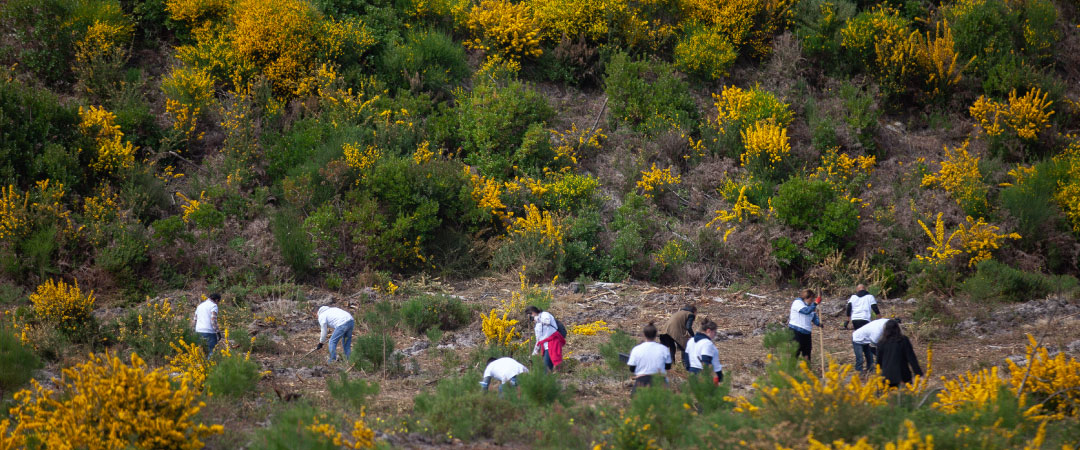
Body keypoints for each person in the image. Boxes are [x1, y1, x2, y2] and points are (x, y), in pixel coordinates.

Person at [627, 322, 673, 394]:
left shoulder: (636, 349)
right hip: (659, 380)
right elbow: (668, 366)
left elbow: (632, 368)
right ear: (655, 335)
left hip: (642, 381)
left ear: (644, 335)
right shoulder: (664, 349)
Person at [876, 320, 923, 387]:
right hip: (902, 376)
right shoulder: (903, 340)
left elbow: (878, 363)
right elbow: (912, 358)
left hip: (886, 377)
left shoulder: (881, 343)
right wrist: (919, 373)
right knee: (905, 396)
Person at [685, 319, 724, 385]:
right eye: (715, 332)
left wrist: (690, 371)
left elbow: (686, 359)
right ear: (708, 331)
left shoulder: (691, 340)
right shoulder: (707, 343)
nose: (715, 335)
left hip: (692, 372)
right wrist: (718, 377)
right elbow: (706, 361)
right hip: (703, 375)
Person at [658, 304, 696, 370]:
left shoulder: (678, 313)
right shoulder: (690, 314)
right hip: (674, 331)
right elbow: (688, 327)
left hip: (665, 330)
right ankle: (685, 365)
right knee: (684, 346)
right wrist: (693, 336)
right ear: (694, 311)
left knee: (672, 347)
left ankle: (671, 364)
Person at [788, 289, 821, 360]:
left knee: (807, 354)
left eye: (813, 299)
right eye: (811, 299)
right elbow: (806, 311)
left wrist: (819, 323)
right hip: (796, 332)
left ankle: (807, 370)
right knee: (795, 353)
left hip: (806, 333)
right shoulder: (797, 302)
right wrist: (815, 303)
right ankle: (792, 370)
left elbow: (814, 317)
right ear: (806, 297)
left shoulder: (810, 306)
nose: (812, 301)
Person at [527, 305, 562, 371]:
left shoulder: (544, 314)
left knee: (547, 368)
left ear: (533, 312)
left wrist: (536, 318)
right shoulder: (537, 325)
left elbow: (547, 321)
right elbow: (538, 340)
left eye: (531, 315)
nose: (532, 319)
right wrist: (534, 353)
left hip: (553, 342)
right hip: (545, 346)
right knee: (547, 368)